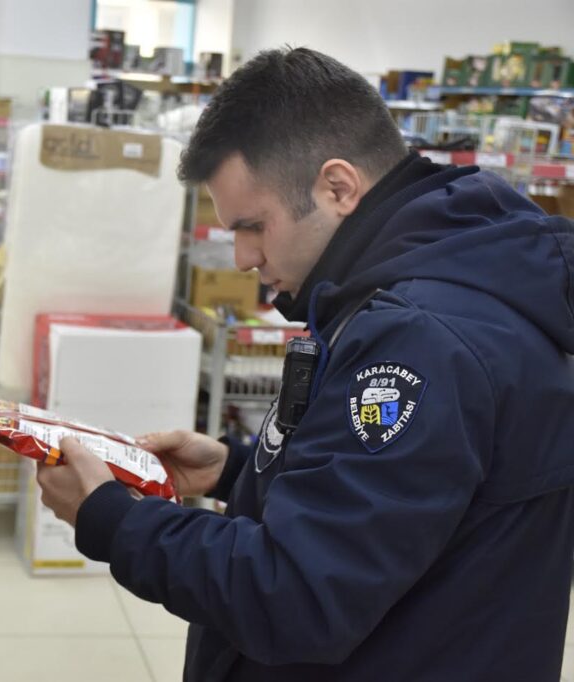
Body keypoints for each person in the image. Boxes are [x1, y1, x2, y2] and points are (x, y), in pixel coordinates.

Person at [36, 47, 574, 681]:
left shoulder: (422, 339)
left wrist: (112, 517)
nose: (241, 257)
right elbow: (407, 506)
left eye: (253, 226)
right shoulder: (411, 287)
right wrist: (240, 470)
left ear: (338, 187)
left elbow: (297, 594)